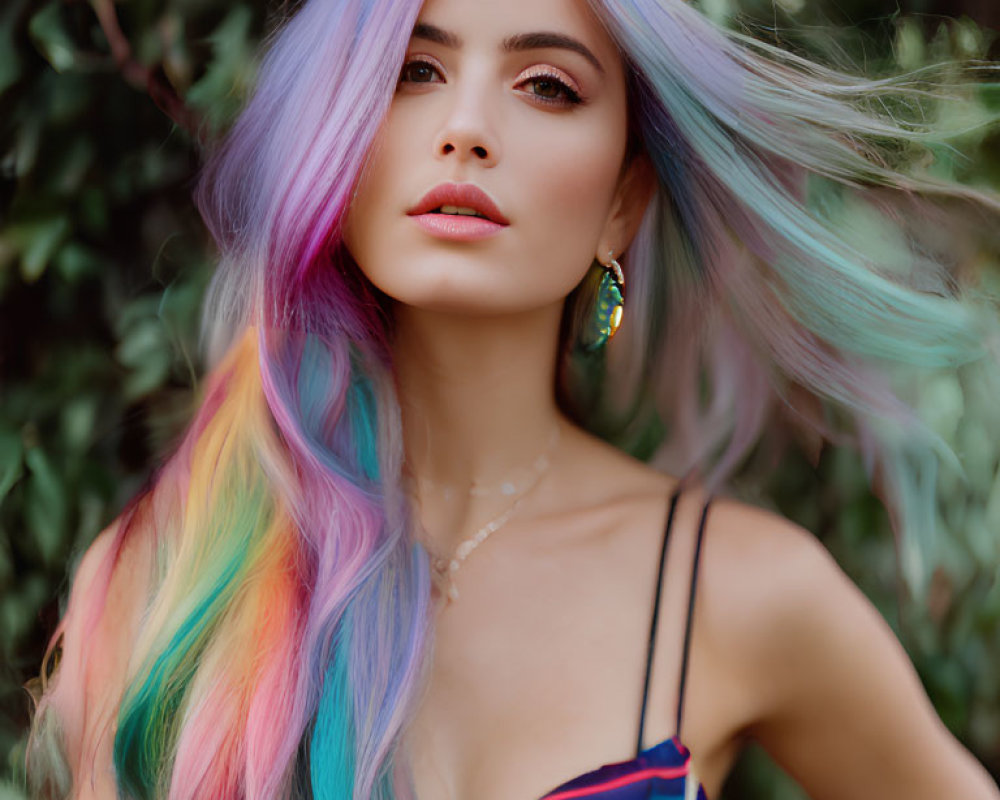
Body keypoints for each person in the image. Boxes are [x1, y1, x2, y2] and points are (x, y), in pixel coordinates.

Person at [22, 0, 1000, 797]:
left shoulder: (737, 589)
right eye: (414, 69)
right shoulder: (172, 576)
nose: (466, 129)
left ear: (622, 203)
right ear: (338, 133)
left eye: (547, 84)